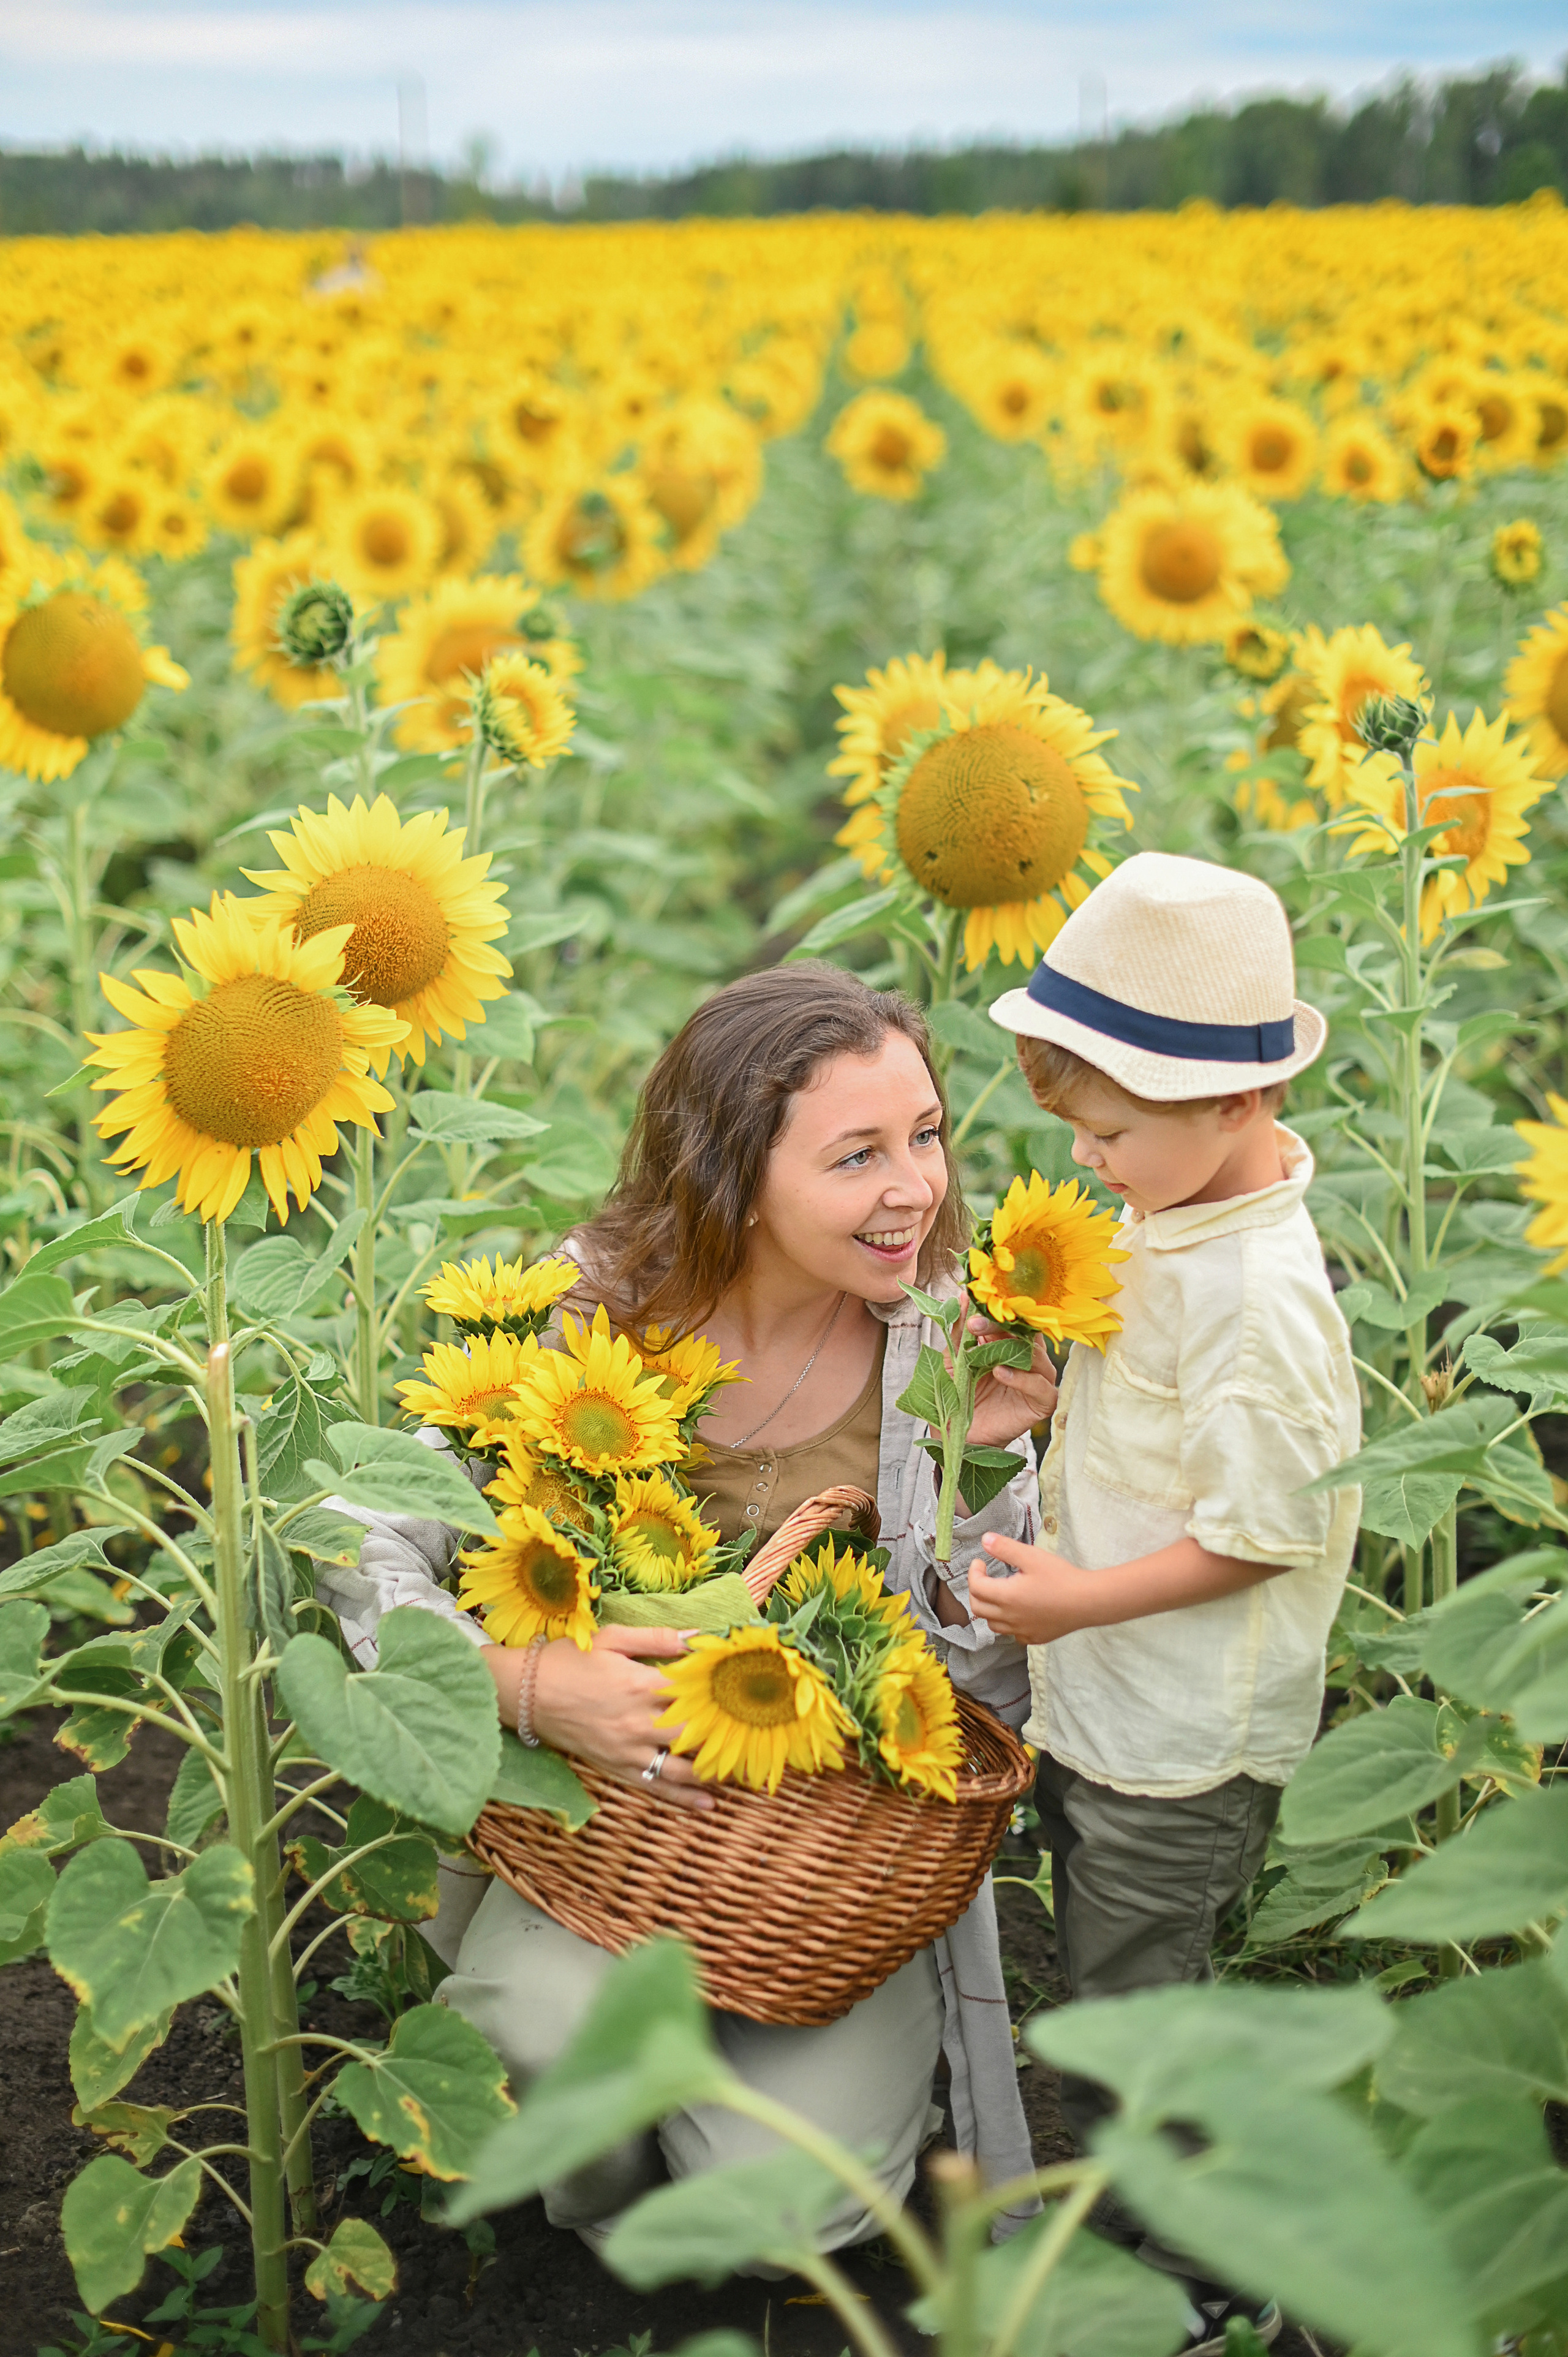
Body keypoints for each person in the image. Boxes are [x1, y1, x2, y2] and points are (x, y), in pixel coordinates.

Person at [318, 963, 1055, 2256]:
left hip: (820, 1864)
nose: (915, 1188)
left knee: (788, 2218)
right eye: (856, 1155)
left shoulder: (950, 1349)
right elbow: (360, 1521)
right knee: (536, 2049)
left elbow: (982, 1706)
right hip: (603, 1818)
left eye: (927, 1136)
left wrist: (978, 1492)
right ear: (732, 1173)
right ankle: (603, 2184)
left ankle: (712, 2134)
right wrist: (523, 1684)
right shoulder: (589, 1305)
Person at [960, 850, 1361, 2349]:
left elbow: (1259, 1530)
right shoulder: (1176, 1216)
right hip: (1111, 1701)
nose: (1090, 1163)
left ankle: (1196, 2284)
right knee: (1112, 1980)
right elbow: (1159, 1415)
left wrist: (1076, 1599)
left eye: (1109, 1132)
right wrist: (1048, 1385)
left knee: (1136, 2017)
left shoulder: (1261, 1302)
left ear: (1237, 1103)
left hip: (1179, 1731)